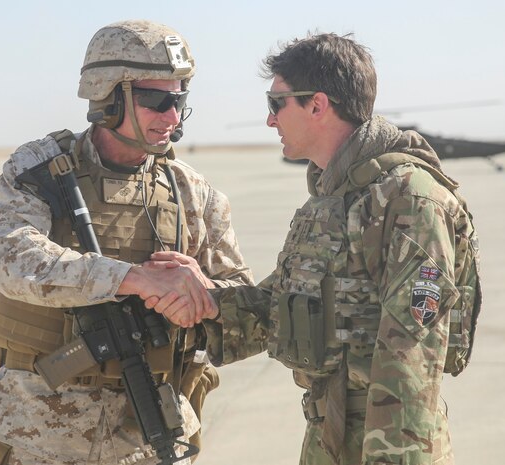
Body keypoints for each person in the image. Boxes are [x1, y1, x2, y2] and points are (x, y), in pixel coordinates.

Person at [146, 32, 482, 465]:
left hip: (388, 440)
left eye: (276, 104)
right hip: (331, 431)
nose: (270, 120)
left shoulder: (407, 198)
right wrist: (207, 300)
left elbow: (413, 353)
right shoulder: (337, 195)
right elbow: (286, 308)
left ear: (317, 105)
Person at [0, 20, 253, 465]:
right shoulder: (40, 170)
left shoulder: (191, 192)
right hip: (41, 434)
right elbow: (15, 260)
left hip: (149, 438)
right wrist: (133, 279)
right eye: (156, 99)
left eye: (179, 99)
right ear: (107, 96)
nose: (172, 116)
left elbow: (246, 308)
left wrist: (202, 296)